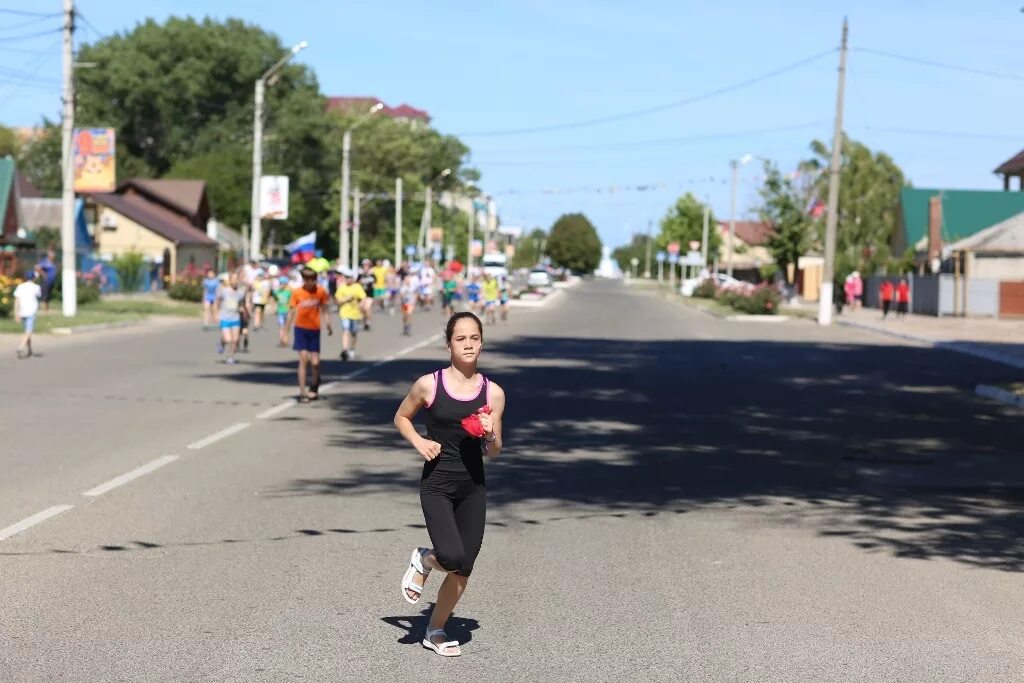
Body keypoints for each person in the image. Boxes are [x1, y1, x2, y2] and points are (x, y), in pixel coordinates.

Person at [393, 312, 506, 658]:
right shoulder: (429, 384)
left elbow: (494, 451)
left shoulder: (494, 393)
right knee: (452, 556)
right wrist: (419, 442)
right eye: (461, 338)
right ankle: (425, 560)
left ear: (482, 342)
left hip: (473, 487)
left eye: (474, 338)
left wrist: (490, 433)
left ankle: (435, 629)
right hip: (438, 484)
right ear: (449, 344)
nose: (468, 344)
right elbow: (401, 417)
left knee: (464, 567)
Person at [286, 267, 332, 402]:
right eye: (308, 280)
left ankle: (315, 384)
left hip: (314, 329)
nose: (311, 283)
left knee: (316, 362)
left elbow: (324, 310)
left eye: (313, 280)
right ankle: (302, 392)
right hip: (300, 329)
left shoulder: (321, 292)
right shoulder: (297, 292)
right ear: (304, 280)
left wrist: (328, 325)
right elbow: (291, 312)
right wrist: (285, 331)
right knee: (303, 360)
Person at [215, 272, 247, 364]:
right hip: (225, 318)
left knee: (235, 340)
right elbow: (217, 301)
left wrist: (244, 311)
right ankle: (222, 343)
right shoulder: (224, 291)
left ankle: (230, 357)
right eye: (233, 279)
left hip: (235, 318)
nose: (235, 281)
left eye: (236, 279)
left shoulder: (240, 293)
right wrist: (216, 313)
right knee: (228, 339)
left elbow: (242, 304)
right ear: (229, 280)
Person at [335, 268, 366, 361]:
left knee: (354, 332)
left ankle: (352, 348)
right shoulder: (342, 287)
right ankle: (345, 350)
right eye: (346, 277)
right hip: (344, 313)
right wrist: (347, 299)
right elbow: (338, 301)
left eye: (350, 277)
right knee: (345, 330)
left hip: (355, 314)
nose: (348, 279)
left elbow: (363, 298)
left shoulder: (357, 287)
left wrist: (361, 307)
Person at [13, 270, 42, 359]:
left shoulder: (20, 286)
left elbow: (17, 300)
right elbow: (39, 295)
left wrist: (16, 312)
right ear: (33, 278)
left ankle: (30, 350)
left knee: (27, 331)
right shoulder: (36, 287)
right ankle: (20, 348)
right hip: (31, 311)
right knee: (28, 331)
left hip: (22, 311)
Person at [272, 275, 293, 347]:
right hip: (280, 311)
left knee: (287, 327)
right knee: (281, 326)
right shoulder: (277, 292)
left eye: (283, 283)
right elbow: (274, 300)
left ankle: (285, 340)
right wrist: (274, 308)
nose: (282, 285)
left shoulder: (289, 292)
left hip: (287, 311)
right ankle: (281, 340)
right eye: (281, 283)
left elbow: (291, 302)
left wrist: (291, 310)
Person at [358, 259, 376, 331]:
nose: (366, 267)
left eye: (367, 265)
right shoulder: (360, 274)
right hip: (362, 295)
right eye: (364, 265)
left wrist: (369, 275)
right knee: (361, 308)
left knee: (367, 308)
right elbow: (357, 283)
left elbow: (375, 281)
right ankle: (364, 321)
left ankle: (368, 322)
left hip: (369, 294)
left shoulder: (372, 274)